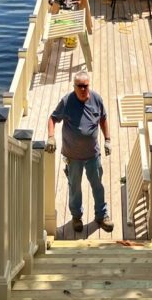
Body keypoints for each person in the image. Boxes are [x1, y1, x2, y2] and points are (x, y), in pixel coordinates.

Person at [46, 70, 114, 233]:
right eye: (80, 86)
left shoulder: (97, 99)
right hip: (72, 156)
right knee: (74, 187)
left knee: (97, 185)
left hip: (93, 154)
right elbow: (52, 118)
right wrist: (50, 137)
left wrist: (108, 140)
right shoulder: (67, 101)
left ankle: (102, 216)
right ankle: (76, 217)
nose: (83, 89)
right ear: (74, 86)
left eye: (86, 86)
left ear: (89, 85)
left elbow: (103, 118)